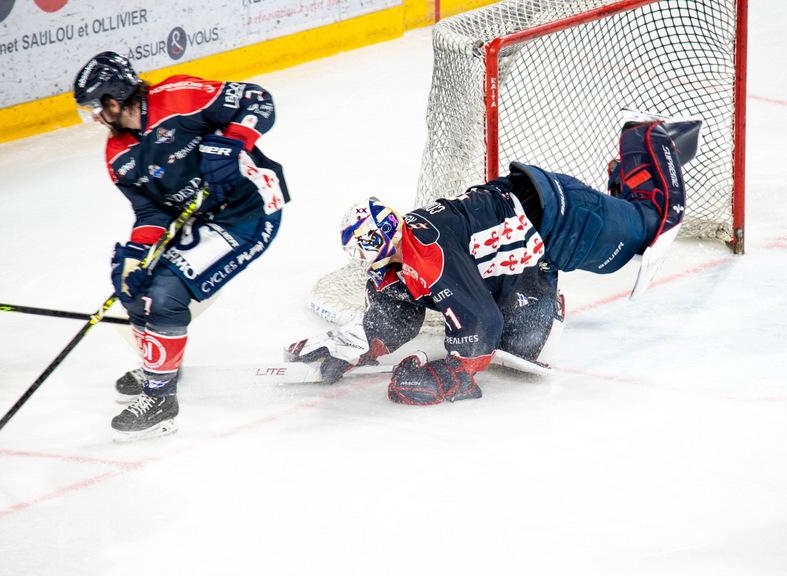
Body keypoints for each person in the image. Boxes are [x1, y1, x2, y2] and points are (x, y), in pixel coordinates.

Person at [285, 120, 684, 405]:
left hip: (560, 216)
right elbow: (395, 313)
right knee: (522, 346)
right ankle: (619, 193)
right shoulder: (402, 257)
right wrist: (351, 345)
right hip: (532, 235)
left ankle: (644, 140)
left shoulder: (424, 247)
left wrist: (453, 375)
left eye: (363, 247)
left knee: (648, 227)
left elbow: (480, 324)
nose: (362, 259)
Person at [73, 51, 290, 441]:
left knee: (164, 295)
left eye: (94, 107)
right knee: (136, 291)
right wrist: (136, 257)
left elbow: (259, 101)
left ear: (115, 97)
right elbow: (151, 212)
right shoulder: (118, 155)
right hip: (199, 219)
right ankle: (162, 365)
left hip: (248, 213)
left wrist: (234, 142)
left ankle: (160, 400)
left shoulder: (179, 96)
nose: (94, 118)